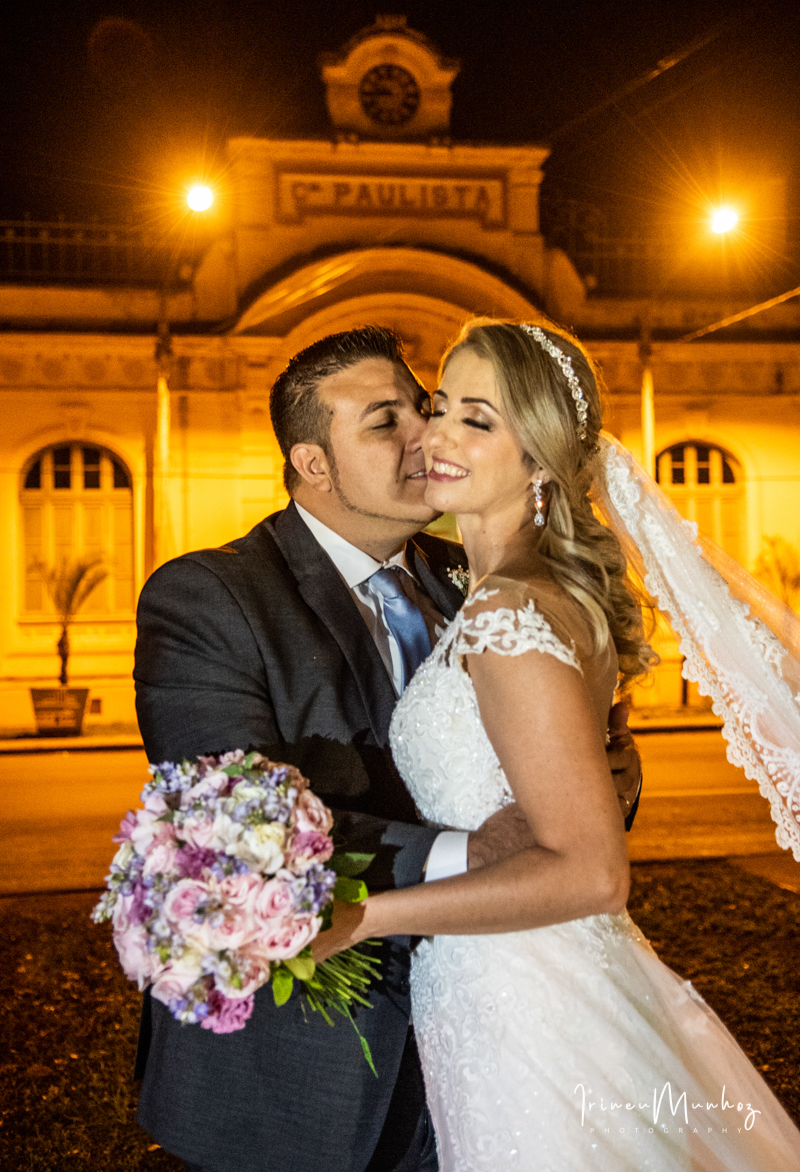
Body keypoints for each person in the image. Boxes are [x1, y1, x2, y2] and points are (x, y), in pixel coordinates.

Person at [132, 325, 641, 1172]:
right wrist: (467, 851)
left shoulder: (482, 574)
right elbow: (230, 820)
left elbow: (561, 787)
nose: (426, 436)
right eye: (385, 421)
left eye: (426, 408)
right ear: (313, 463)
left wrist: (608, 777)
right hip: (305, 1067)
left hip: (497, 1024)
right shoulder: (210, 597)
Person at [314, 319, 800, 1171]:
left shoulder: (508, 612)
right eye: (440, 406)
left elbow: (591, 872)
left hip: (534, 1005)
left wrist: (365, 917)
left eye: (479, 419)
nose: (437, 435)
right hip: (517, 986)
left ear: (539, 460)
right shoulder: (511, 592)